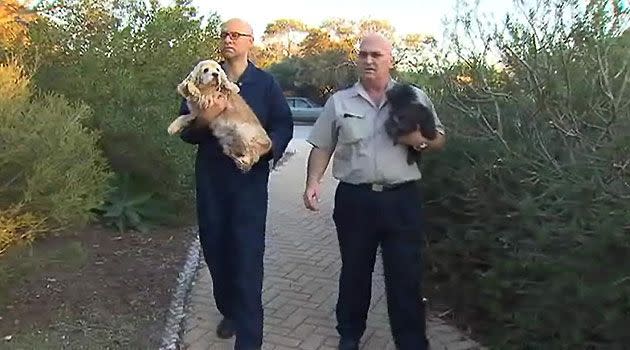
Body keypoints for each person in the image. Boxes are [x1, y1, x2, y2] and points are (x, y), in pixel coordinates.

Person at [302, 32, 446, 350]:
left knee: (405, 275)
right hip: (356, 199)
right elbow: (323, 146)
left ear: (389, 59)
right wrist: (313, 182)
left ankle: (410, 341)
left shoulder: (413, 97)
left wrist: (420, 140)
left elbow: (439, 139)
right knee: (355, 270)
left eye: (376, 55)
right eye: (363, 54)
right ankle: (350, 334)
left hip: (402, 198)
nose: (369, 60)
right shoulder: (339, 102)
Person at [178, 18, 294, 350]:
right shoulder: (203, 77)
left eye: (236, 35)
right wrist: (205, 119)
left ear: (250, 41)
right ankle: (229, 308)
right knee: (215, 250)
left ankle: (249, 338)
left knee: (247, 256)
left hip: (249, 182)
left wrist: (269, 147)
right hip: (212, 179)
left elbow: (284, 124)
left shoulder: (266, 84)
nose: (229, 39)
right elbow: (187, 132)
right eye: (224, 34)